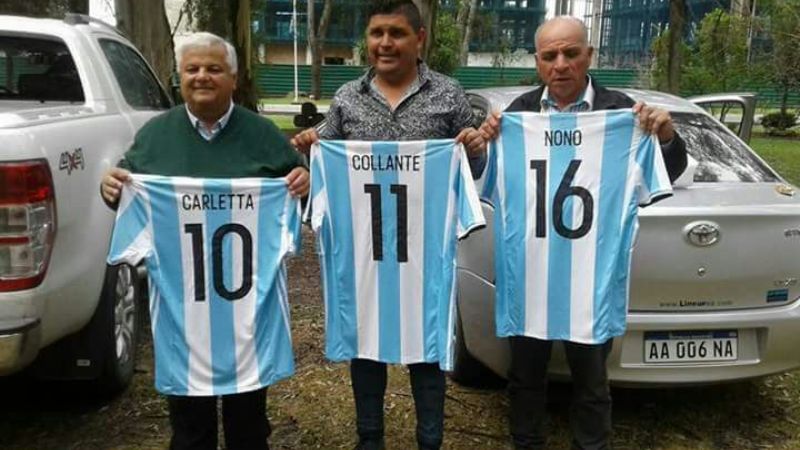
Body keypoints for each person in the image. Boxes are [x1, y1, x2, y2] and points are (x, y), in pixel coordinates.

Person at [480, 16, 688, 450]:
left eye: (570, 53)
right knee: (525, 379)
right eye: (550, 56)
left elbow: (667, 171)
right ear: (537, 62)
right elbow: (484, 180)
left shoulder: (621, 112)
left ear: (588, 56)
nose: (560, 64)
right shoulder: (517, 115)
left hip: (590, 279)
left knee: (592, 382)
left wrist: (666, 135)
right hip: (531, 276)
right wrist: (482, 145)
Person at [100, 32, 309, 450]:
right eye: (192, 69)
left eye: (214, 69)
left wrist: (305, 181)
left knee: (248, 425)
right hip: (182, 313)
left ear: (233, 77)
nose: (202, 76)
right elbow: (126, 192)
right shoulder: (154, 136)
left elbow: (301, 188)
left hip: (248, 312)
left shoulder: (264, 134)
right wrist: (110, 188)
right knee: (189, 429)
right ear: (179, 78)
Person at [292, 2, 486, 449]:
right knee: (366, 342)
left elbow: (470, 169)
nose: (384, 43)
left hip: (424, 248)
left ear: (419, 39)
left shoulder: (449, 94)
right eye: (377, 32)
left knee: (427, 345)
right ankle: (369, 438)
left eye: (396, 33)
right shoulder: (347, 98)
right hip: (367, 250)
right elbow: (325, 159)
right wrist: (308, 149)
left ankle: (429, 438)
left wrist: (474, 148)